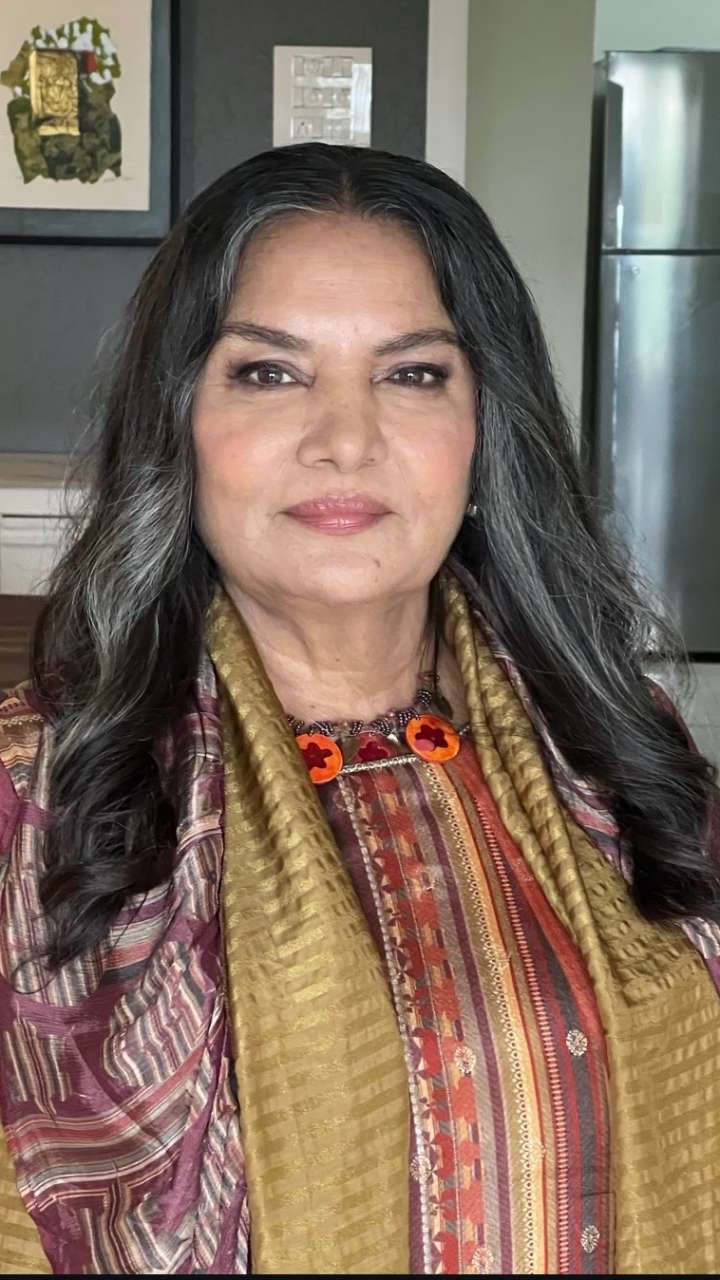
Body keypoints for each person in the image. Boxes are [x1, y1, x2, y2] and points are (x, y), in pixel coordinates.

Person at [0, 142, 719, 1276]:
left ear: (486, 429)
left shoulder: (616, 741)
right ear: (178, 422)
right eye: (268, 373)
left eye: (413, 374)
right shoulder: (40, 792)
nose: (345, 440)